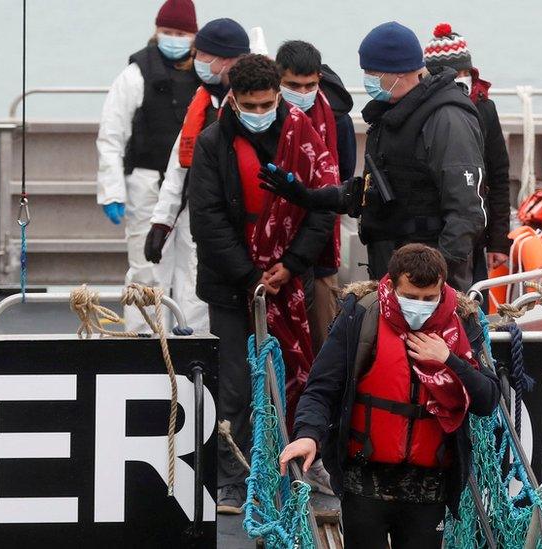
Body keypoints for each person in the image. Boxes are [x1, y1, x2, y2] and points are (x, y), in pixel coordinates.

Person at [187, 54, 337, 514]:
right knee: (234, 387)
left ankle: (306, 467)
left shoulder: (303, 137)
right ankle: (233, 477)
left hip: (291, 282)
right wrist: (250, 275)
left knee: (300, 375)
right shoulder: (213, 144)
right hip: (233, 287)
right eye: (249, 106)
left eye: (266, 105)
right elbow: (207, 221)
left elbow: (322, 204)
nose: (258, 113)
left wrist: (291, 264)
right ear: (232, 100)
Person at [280, 243, 499, 549]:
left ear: (442, 289)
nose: (419, 305)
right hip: (364, 481)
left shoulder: (462, 323)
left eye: (428, 299)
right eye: (410, 297)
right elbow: (321, 388)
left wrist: (449, 360)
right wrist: (308, 435)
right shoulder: (361, 315)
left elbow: (487, 400)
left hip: (429, 487)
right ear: (392, 284)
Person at [358, 21, 487, 291]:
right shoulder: (391, 113)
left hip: (429, 286)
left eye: (373, 73)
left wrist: (430, 277)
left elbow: (466, 213)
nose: (368, 80)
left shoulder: (447, 119)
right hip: (393, 273)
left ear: (399, 73)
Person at [142, 17, 252, 334]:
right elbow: (179, 165)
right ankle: (193, 358)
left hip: (242, 225)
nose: (196, 62)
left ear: (227, 59)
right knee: (194, 293)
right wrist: (161, 222)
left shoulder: (256, 103)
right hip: (203, 219)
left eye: (203, 55)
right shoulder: (204, 102)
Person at [95, 0, 200, 332]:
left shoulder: (206, 74)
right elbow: (111, 136)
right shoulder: (135, 74)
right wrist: (112, 191)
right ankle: (143, 346)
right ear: (156, 31)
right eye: (167, 32)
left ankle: (194, 339)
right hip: (147, 186)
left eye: (181, 33)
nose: (173, 38)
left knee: (195, 270)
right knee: (146, 271)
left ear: (193, 36)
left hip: (195, 188)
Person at [275, 39, 356, 350]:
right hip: (275, 247)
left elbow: (343, 182)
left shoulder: (337, 121)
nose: (303, 93)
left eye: (310, 85)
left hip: (321, 247)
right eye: (293, 85)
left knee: (323, 337)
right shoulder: (270, 116)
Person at [423, 23, 511, 289]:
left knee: (474, 300)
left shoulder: (484, 109)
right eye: (454, 73)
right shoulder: (429, 111)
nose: (461, 78)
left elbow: (498, 176)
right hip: (437, 229)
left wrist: (498, 240)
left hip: (476, 231)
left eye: (465, 72)